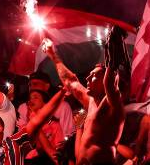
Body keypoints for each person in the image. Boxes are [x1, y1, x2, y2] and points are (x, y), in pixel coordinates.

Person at [42, 36, 125, 165]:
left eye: (94, 75)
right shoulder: (91, 102)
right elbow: (70, 81)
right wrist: (53, 55)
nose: (87, 78)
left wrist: (112, 53)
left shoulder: (113, 103)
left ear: (105, 80)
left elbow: (112, 82)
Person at [17, 70, 75, 137]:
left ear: (47, 86)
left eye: (35, 84)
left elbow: (69, 134)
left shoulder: (62, 106)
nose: (32, 87)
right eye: (30, 85)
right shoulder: (23, 108)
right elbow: (22, 135)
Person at [25, 89, 64, 164]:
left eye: (35, 97)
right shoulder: (26, 126)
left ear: (46, 104)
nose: (31, 101)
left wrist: (36, 124)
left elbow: (57, 155)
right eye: (30, 98)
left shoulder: (54, 126)